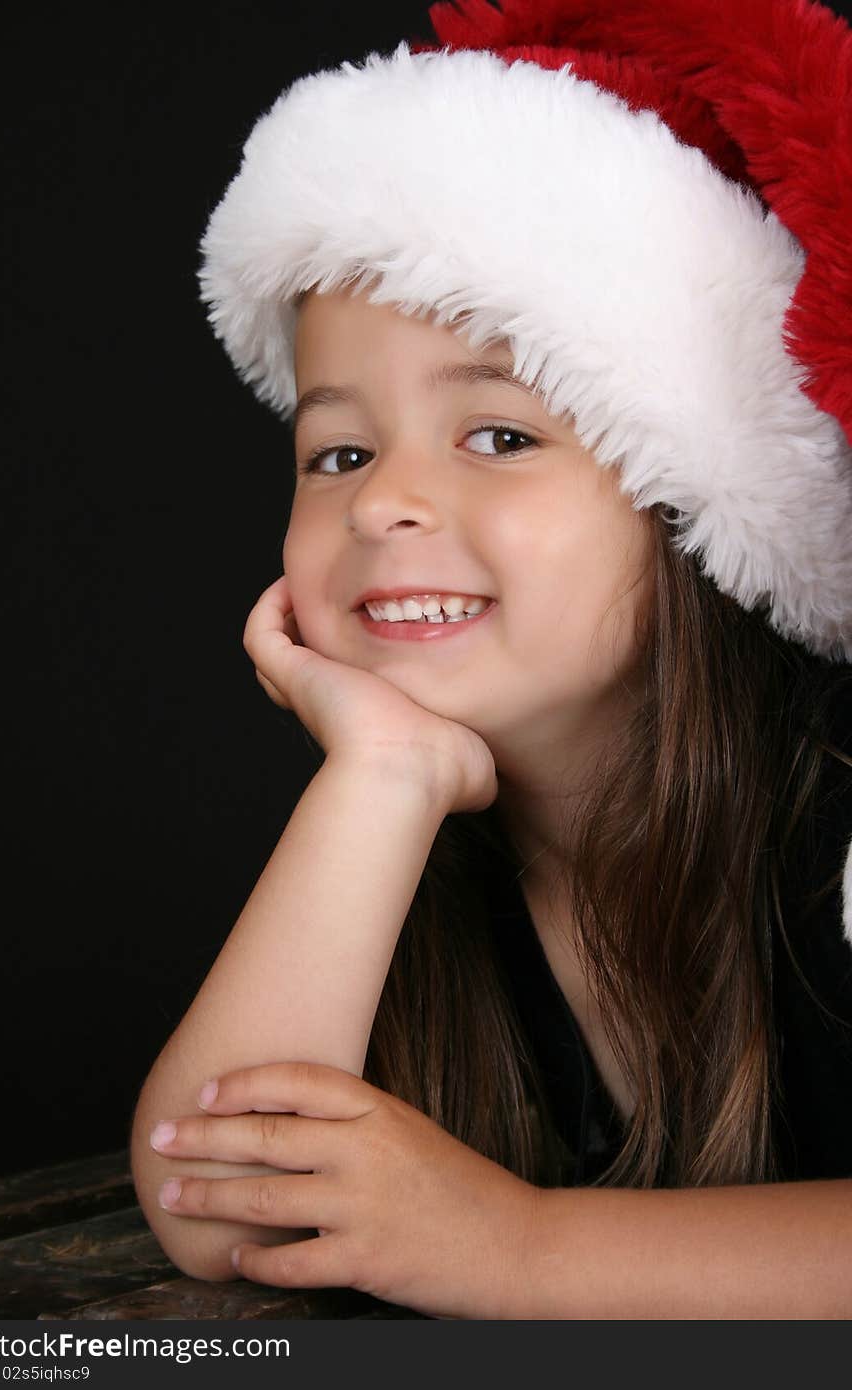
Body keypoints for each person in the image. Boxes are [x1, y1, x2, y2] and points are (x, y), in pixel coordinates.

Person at [130, 0, 852, 1317]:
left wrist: (522, 1247)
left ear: (690, 500)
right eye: (338, 451)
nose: (382, 502)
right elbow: (211, 1205)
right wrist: (383, 776)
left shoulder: (836, 813)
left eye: (500, 436)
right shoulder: (402, 852)